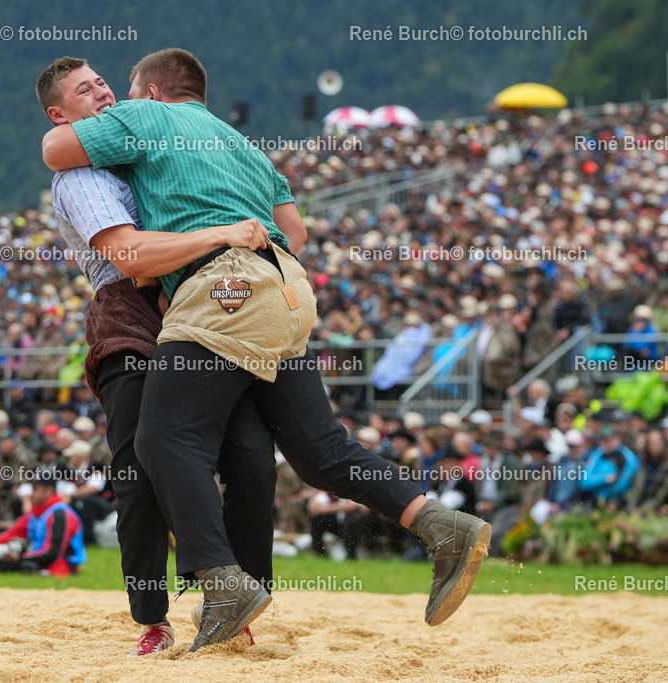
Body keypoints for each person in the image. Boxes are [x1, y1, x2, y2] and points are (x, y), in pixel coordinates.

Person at [42, 48, 490, 649]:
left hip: (221, 287)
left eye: (114, 87)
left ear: (148, 92)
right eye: (90, 89)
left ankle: (225, 585)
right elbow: (296, 232)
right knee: (319, 450)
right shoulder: (242, 144)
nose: (108, 98)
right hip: (284, 287)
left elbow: (55, 153)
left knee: (163, 439)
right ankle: (438, 523)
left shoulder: (146, 118)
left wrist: (211, 232)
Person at [37, 55, 277, 655]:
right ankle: (152, 618)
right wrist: (221, 234)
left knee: (249, 457)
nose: (101, 92)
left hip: (203, 303)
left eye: (102, 82)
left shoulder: (146, 144)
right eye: (84, 91)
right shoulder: (82, 175)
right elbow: (132, 257)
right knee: (139, 473)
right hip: (132, 315)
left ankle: (236, 597)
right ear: (60, 117)